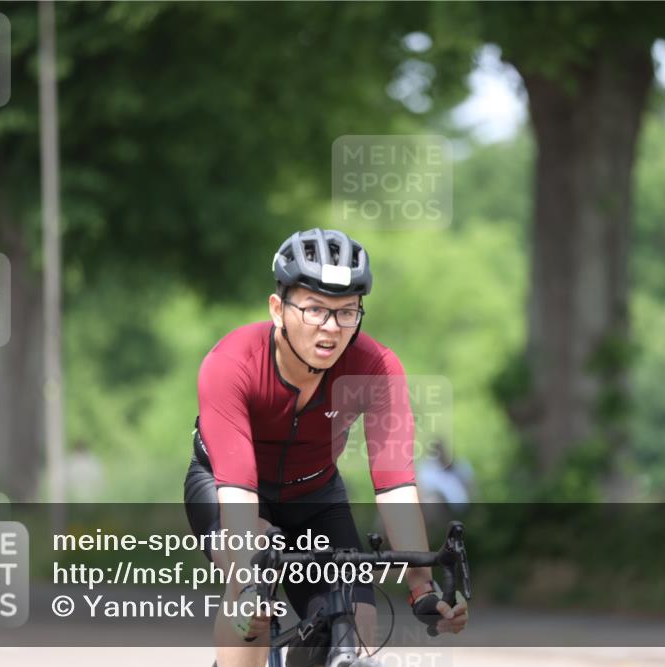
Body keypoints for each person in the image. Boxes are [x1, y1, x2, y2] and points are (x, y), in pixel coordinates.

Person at [183, 228, 468, 667]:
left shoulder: (375, 368)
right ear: (278, 309)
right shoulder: (231, 363)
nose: (331, 329)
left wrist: (421, 586)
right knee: (250, 593)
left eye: (347, 312)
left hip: (314, 494)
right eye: (315, 309)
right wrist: (248, 575)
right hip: (229, 488)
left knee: (358, 619)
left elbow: (395, 485)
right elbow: (238, 492)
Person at [416, 438, 476, 525]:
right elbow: (422, 492)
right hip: (441, 508)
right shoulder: (427, 469)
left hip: (462, 507)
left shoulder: (460, 464)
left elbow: (471, 486)